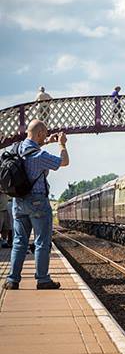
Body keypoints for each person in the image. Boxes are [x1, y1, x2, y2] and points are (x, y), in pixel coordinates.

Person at [3, 120, 69, 290]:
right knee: (41, 242)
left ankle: (12, 280)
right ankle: (42, 279)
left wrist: (48, 140)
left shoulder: (16, 148)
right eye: (44, 135)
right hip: (38, 202)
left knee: (19, 242)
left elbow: (32, 143)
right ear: (40, 134)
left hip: (18, 201)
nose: (46, 137)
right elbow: (64, 162)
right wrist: (61, 145)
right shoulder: (40, 156)